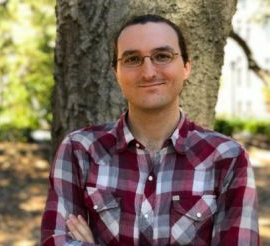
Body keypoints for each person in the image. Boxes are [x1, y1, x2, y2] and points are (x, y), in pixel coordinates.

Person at [41, 14, 259, 245]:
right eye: (132, 59)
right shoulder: (80, 150)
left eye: (162, 56)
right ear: (116, 72)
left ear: (186, 67)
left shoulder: (227, 158)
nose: (148, 72)